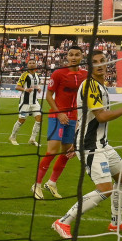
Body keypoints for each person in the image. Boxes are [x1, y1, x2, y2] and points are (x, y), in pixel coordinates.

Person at [52, 51, 122, 239]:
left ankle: (116, 223)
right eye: (95, 62)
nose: (100, 65)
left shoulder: (100, 85)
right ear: (90, 67)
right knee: (106, 188)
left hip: (101, 143)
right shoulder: (91, 86)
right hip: (90, 145)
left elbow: (85, 117)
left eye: (102, 61)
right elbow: (101, 116)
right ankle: (63, 221)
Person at [32, 46, 87, 200]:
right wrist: (59, 113)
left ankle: (52, 183)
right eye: (71, 55)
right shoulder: (58, 73)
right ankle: (36, 185)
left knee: (68, 152)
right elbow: (49, 95)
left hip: (74, 118)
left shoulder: (86, 75)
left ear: (82, 57)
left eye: (77, 55)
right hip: (57, 117)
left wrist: (80, 120)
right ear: (67, 57)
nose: (74, 57)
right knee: (52, 150)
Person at [9, 59, 42, 146]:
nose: (32, 64)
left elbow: (33, 85)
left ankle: (32, 139)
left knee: (39, 120)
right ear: (27, 65)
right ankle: (12, 137)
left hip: (35, 102)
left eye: (33, 63)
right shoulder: (24, 75)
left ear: (36, 65)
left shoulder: (37, 76)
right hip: (25, 103)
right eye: (30, 63)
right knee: (21, 120)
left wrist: (38, 88)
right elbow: (17, 87)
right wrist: (25, 89)